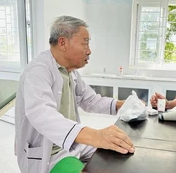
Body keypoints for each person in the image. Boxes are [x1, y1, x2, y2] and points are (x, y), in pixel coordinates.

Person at [15, 15, 135, 173]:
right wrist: (95, 135)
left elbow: (90, 100)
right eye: (85, 43)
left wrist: (122, 105)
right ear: (63, 43)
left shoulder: (68, 71)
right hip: (51, 152)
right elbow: (42, 114)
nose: (89, 50)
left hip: (71, 144)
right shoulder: (38, 71)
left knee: (119, 152)